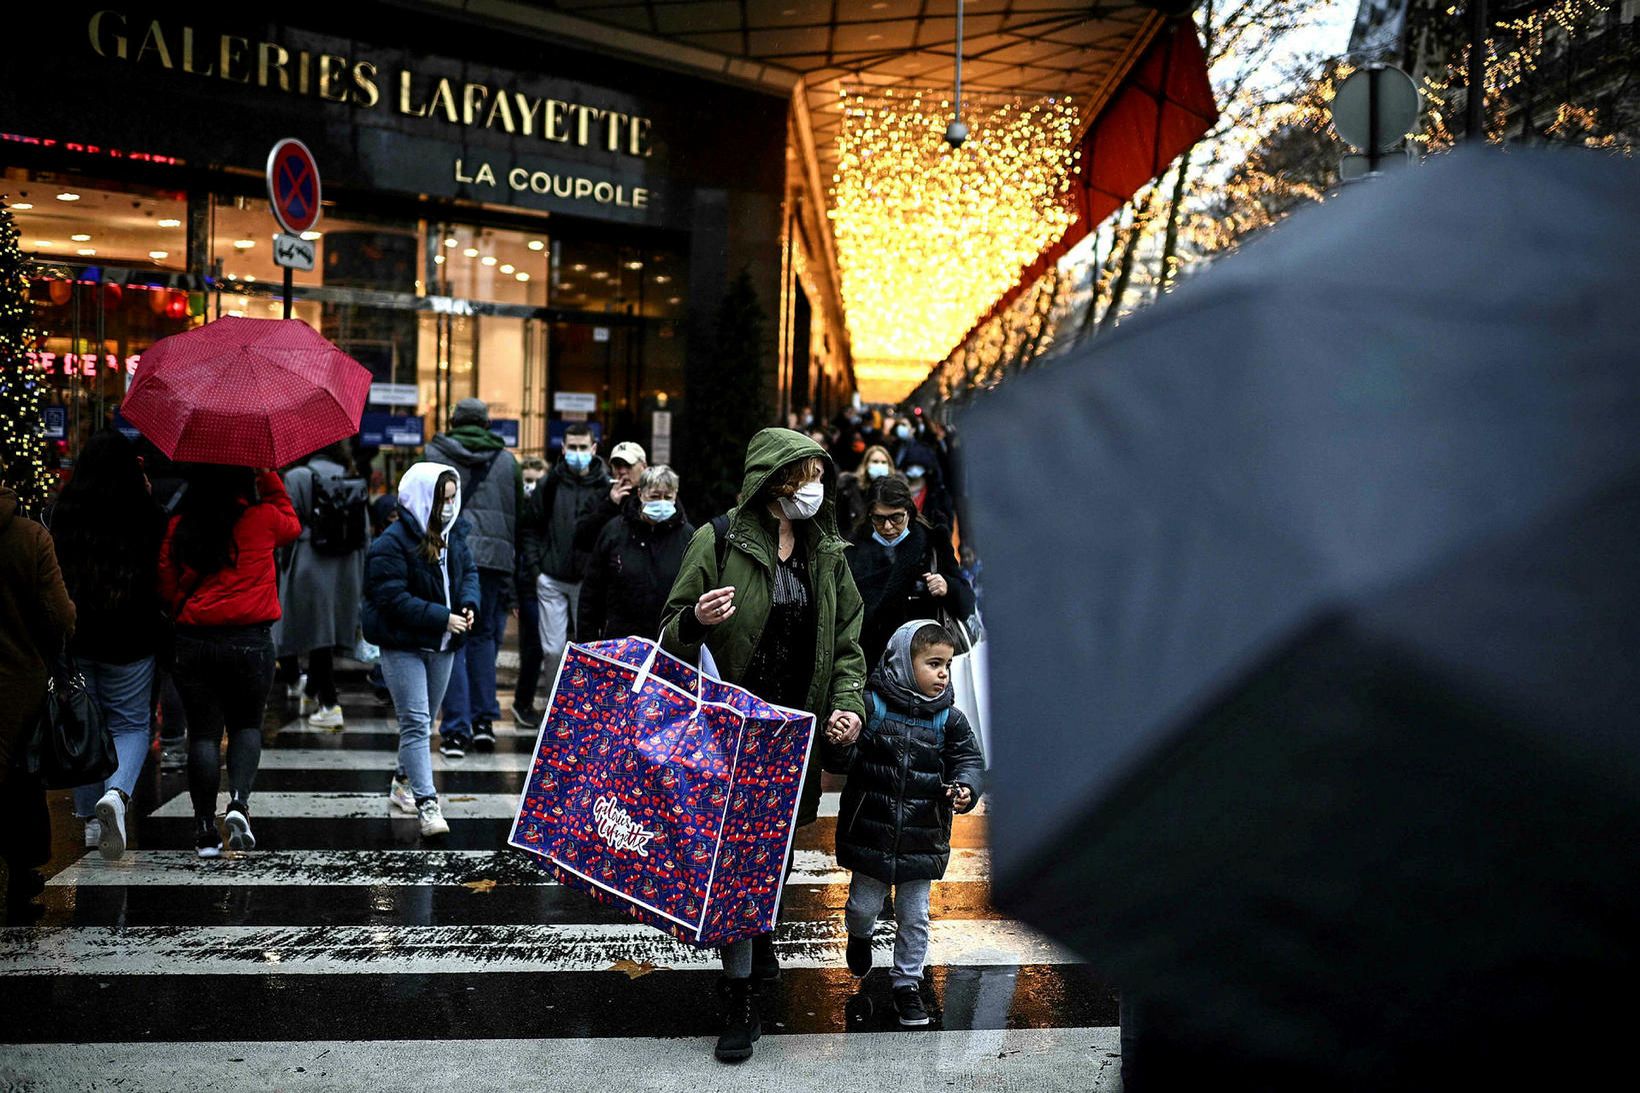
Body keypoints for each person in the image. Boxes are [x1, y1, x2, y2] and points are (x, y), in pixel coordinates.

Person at [661, 427, 867, 1065]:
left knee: (772, 852)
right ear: (773, 482)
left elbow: (848, 643)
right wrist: (696, 620)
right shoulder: (717, 539)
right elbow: (668, 631)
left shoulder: (827, 553)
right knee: (736, 856)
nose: (814, 488)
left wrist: (847, 706)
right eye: (802, 475)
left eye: (817, 476)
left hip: (795, 734)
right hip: (731, 732)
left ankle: (757, 938)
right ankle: (739, 991)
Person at [822, 619, 984, 1027]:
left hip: (922, 836)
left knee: (915, 916)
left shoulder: (949, 719)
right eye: (933, 663)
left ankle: (907, 985)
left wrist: (965, 787)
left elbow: (968, 761)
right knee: (863, 908)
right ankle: (858, 936)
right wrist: (840, 741)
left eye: (946, 664)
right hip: (872, 833)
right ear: (902, 663)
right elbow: (843, 761)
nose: (943, 673)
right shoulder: (871, 707)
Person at [159, 464, 301, 858]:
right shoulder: (262, 519)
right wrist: (268, 473)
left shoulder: (182, 524)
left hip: (195, 641)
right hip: (250, 641)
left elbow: (166, 581)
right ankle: (238, 803)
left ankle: (205, 830)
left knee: (202, 735)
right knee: (246, 725)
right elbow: (292, 523)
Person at [49, 430, 166, 860]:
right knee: (131, 724)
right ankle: (116, 796)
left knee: (86, 724)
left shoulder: (64, 512)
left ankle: (88, 823)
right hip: (132, 635)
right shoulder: (145, 512)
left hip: (79, 634)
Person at [361, 463, 479, 838]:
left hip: (443, 644)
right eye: (440, 500)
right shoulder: (391, 543)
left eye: (451, 499)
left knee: (424, 722)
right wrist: (443, 617)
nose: (447, 507)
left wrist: (468, 604)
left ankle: (401, 781)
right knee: (415, 723)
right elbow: (392, 598)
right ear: (422, 498)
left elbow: (468, 573)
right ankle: (428, 804)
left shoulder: (452, 534)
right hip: (403, 644)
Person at [0, 459, 75, 922]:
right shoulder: (30, 536)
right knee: (20, 783)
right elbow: (60, 616)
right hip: (18, 681)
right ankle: (21, 871)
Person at [426, 399, 522, 754]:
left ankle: (455, 728)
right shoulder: (507, 461)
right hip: (495, 560)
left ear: (453, 421)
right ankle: (484, 722)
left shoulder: (433, 454)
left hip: (449, 556)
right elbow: (519, 516)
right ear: (485, 424)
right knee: (482, 640)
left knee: (453, 638)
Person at [519, 423, 611, 745]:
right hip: (552, 578)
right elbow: (530, 526)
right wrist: (536, 570)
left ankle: (587, 712)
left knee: (590, 650)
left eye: (582, 447)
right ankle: (556, 713)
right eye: (571, 447)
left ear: (594, 448)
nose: (577, 453)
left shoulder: (606, 485)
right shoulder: (550, 482)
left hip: (589, 581)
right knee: (553, 650)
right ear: (562, 448)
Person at [274, 442, 368, 731]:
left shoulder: (298, 477)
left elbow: (286, 526)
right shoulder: (352, 478)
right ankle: (313, 693)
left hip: (308, 562)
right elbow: (364, 533)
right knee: (325, 633)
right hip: (345, 567)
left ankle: (329, 704)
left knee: (310, 631)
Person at [846, 476, 973, 669]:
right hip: (868, 665)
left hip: (923, 664)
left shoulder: (932, 543)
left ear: (909, 512)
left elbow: (966, 603)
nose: (887, 527)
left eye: (896, 517)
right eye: (879, 518)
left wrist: (947, 586)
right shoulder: (853, 549)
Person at [579, 465, 693, 641]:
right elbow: (592, 592)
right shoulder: (615, 532)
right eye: (654, 496)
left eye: (667, 497)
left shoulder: (687, 537)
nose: (661, 502)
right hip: (620, 641)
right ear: (640, 494)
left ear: (675, 495)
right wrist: (588, 642)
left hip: (668, 642)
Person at [510, 456, 548, 729]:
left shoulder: (551, 507)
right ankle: (523, 702)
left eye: (537, 480)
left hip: (549, 581)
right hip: (527, 586)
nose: (532, 486)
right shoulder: (517, 511)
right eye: (528, 480)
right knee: (532, 648)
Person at [574, 440, 647, 553]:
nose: (622, 471)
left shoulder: (656, 496)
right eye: (617, 466)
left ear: (644, 467)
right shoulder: (599, 496)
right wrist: (610, 505)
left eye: (628, 466)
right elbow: (582, 538)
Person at [835, 444, 899, 541]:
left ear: (889, 466)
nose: (879, 465)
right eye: (875, 461)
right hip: (853, 544)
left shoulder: (897, 490)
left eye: (883, 462)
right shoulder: (849, 489)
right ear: (866, 464)